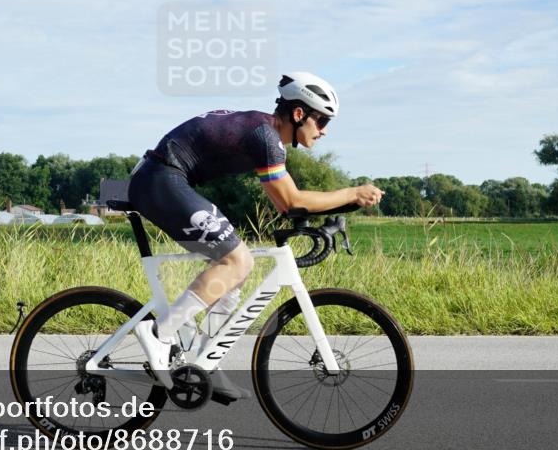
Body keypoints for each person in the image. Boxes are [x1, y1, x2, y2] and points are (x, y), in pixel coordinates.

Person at [127, 72, 384, 398]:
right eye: (321, 121)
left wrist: (338, 209)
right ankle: (158, 333)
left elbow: (288, 206)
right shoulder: (266, 137)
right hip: (161, 179)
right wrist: (351, 194)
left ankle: (206, 358)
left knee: (235, 266)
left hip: (165, 179)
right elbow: (290, 201)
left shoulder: (266, 133)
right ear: (299, 113)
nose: (324, 131)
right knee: (237, 260)